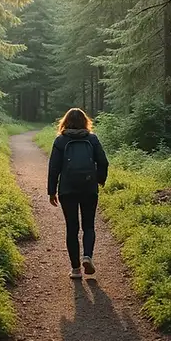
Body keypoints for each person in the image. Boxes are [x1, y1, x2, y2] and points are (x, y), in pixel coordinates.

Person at [47, 108, 109, 279]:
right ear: (85, 121)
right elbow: (103, 162)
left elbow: (54, 168)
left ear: (65, 122)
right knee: (88, 225)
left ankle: (75, 269)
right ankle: (87, 256)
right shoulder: (92, 139)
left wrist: (51, 191)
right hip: (89, 188)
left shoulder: (60, 141)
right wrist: (100, 179)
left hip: (67, 189)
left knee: (71, 228)